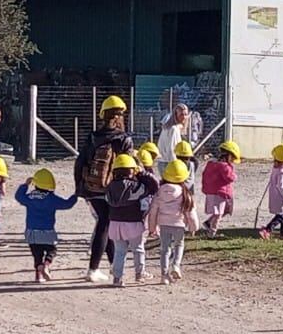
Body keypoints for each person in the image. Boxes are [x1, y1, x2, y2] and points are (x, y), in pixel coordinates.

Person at [75, 95, 137, 284]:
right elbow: (128, 166)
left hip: (93, 188)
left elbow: (81, 162)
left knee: (105, 225)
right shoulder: (124, 139)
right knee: (105, 224)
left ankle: (111, 266)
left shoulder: (93, 136)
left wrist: (80, 188)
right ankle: (93, 269)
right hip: (114, 189)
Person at [14, 168, 79, 282]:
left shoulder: (30, 197)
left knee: (36, 253)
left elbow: (18, 197)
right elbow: (67, 204)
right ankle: (46, 264)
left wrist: (25, 185)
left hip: (31, 232)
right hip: (47, 232)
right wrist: (76, 195)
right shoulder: (51, 198)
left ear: (36, 184)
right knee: (51, 250)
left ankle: (38, 274)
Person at [104, 153, 152, 286]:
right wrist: (142, 174)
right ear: (132, 170)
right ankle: (139, 274)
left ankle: (117, 278)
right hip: (133, 223)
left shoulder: (109, 187)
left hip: (115, 224)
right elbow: (152, 187)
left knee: (119, 251)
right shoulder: (136, 186)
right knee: (138, 249)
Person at [147, 158, 195, 283]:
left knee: (164, 249)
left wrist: (152, 228)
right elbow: (190, 212)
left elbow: (153, 211)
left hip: (163, 225)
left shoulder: (159, 192)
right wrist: (193, 227)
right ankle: (176, 265)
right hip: (179, 224)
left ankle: (164, 275)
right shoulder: (185, 193)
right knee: (179, 245)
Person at [199, 140, 241, 237]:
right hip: (220, 193)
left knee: (223, 210)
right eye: (233, 158)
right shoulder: (224, 166)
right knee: (219, 213)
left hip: (212, 191)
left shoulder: (211, 164)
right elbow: (230, 177)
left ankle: (209, 223)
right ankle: (212, 232)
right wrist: (234, 174)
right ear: (229, 155)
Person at [259, 142, 283, 239]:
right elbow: (281, 186)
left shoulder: (276, 168)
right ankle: (267, 229)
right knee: (282, 215)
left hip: (275, 195)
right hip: (281, 197)